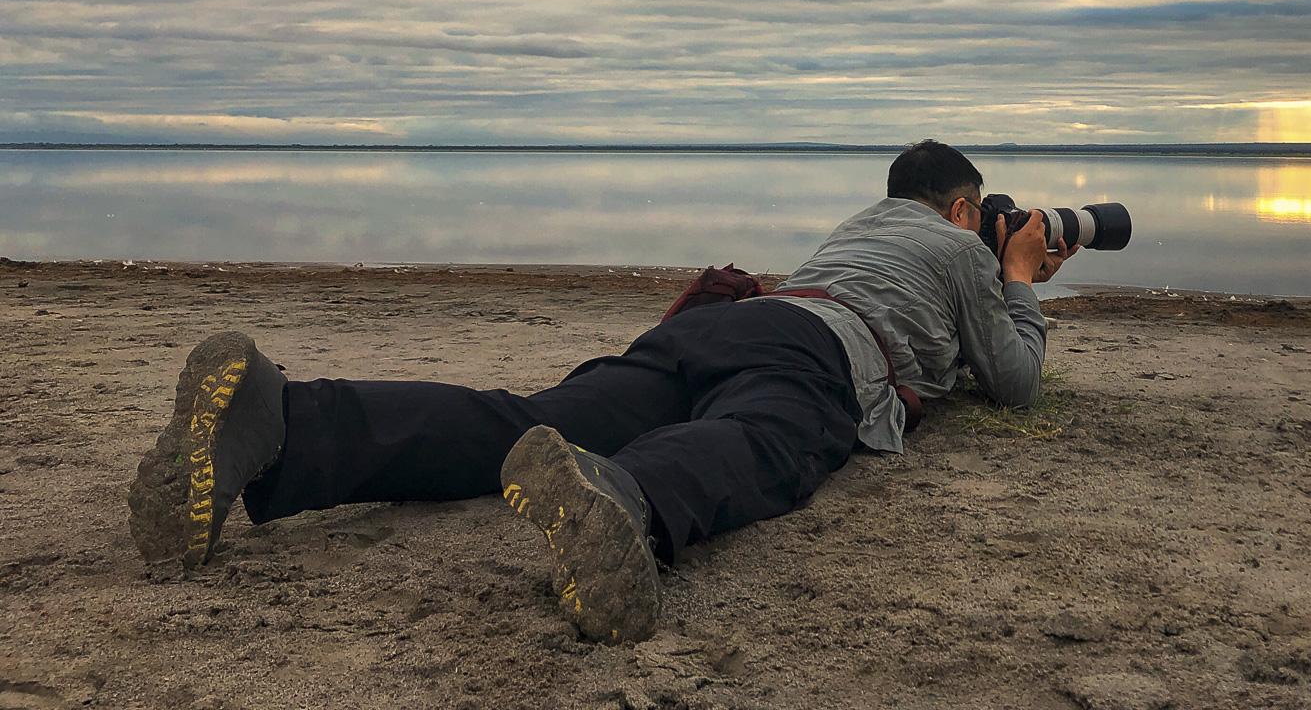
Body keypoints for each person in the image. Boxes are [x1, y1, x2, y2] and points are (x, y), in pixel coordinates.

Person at [126, 140, 1071, 642]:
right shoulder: (959, 247)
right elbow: (1016, 384)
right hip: (817, 352)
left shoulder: (859, 225)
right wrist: (1019, 274)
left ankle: (282, 420)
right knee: (765, 441)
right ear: (960, 207)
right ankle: (627, 495)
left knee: (533, 416)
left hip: (714, 328)